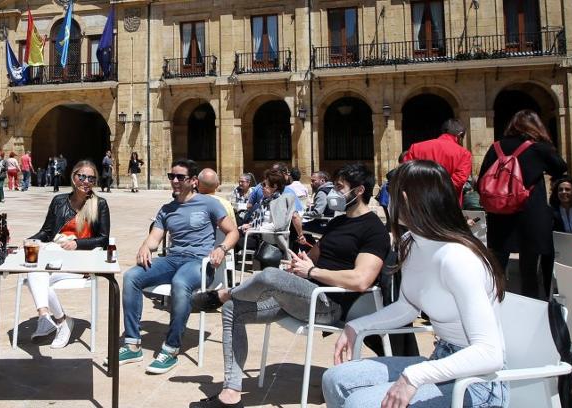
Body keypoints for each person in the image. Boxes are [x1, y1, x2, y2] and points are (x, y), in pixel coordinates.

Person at [191, 164, 390, 408]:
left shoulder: (374, 229)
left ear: (359, 191)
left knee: (270, 275)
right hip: (303, 296)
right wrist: (303, 262)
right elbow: (314, 256)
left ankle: (221, 294)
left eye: (339, 188)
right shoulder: (338, 223)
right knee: (234, 309)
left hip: (329, 304)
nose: (334, 194)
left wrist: (313, 271)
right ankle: (231, 393)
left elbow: (362, 280)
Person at [321, 160, 507, 408]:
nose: (387, 202)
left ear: (406, 199)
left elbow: (489, 354)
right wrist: (357, 326)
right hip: (442, 360)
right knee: (335, 379)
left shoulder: (457, 259)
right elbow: (407, 307)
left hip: (478, 384)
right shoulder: (411, 242)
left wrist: (414, 377)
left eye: (390, 194)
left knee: (360, 403)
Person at [119, 159, 238, 374]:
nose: (174, 181)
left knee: (180, 282)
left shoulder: (209, 203)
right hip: (172, 259)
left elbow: (233, 232)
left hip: (199, 262)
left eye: (179, 177)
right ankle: (132, 343)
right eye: (171, 176)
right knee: (131, 277)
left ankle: (171, 348)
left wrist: (221, 248)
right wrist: (145, 246)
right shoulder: (167, 209)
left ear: (193, 181)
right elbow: (155, 239)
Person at [478, 110, 567, 300]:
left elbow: (481, 180)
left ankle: (495, 304)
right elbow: (560, 167)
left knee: (498, 267)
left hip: (500, 214)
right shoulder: (538, 148)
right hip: (531, 213)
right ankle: (532, 307)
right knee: (530, 270)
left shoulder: (496, 148)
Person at [23, 160, 111, 348]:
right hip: (57, 257)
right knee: (35, 272)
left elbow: (103, 239)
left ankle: (54, 321)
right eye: (82, 176)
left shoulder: (100, 204)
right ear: (73, 177)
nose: (86, 181)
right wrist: (29, 241)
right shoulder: (59, 201)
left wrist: (77, 243)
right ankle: (55, 319)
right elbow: (47, 232)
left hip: (82, 261)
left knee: (36, 277)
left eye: (91, 178)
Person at [401, 118, 472, 202]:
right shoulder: (464, 154)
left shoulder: (416, 148)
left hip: (419, 203)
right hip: (448, 203)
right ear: (459, 135)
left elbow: (404, 173)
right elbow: (458, 181)